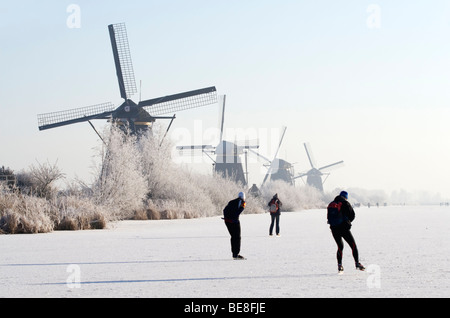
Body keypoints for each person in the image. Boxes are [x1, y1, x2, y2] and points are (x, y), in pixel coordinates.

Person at [327, 191, 365, 273]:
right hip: (344, 228)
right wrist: (347, 222)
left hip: (334, 229)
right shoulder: (345, 203)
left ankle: (339, 265)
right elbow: (352, 215)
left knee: (340, 246)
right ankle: (357, 263)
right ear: (346, 197)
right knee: (353, 245)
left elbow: (328, 218)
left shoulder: (331, 204)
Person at [223, 192, 247, 260]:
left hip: (227, 221)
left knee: (233, 237)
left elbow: (224, 210)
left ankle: (234, 253)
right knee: (237, 237)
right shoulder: (242, 202)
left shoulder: (231, 201)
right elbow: (239, 210)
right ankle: (236, 254)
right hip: (234, 221)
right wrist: (234, 218)